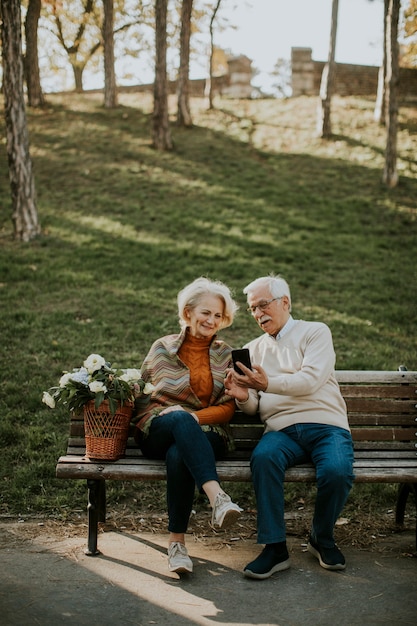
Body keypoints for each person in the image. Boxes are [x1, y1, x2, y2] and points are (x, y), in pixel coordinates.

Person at [225, 275, 354, 580]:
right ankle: (275, 547)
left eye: (263, 305)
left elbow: (310, 380)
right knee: (264, 458)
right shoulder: (253, 349)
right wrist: (243, 396)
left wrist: (266, 382)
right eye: (252, 309)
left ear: (285, 302)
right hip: (281, 431)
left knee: (337, 471)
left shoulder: (315, 332)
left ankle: (321, 538)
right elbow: (256, 405)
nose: (258, 314)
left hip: (326, 425)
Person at [133, 277, 242, 575]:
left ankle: (176, 544)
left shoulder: (225, 353)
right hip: (158, 429)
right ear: (189, 313)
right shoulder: (163, 348)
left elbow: (228, 407)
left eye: (218, 315)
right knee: (178, 419)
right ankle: (217, 499)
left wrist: (194, 418)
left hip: (207, 435)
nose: (211, 320)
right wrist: (178, 414)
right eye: (206, 312)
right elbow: (143, 395)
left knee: (180, 452)